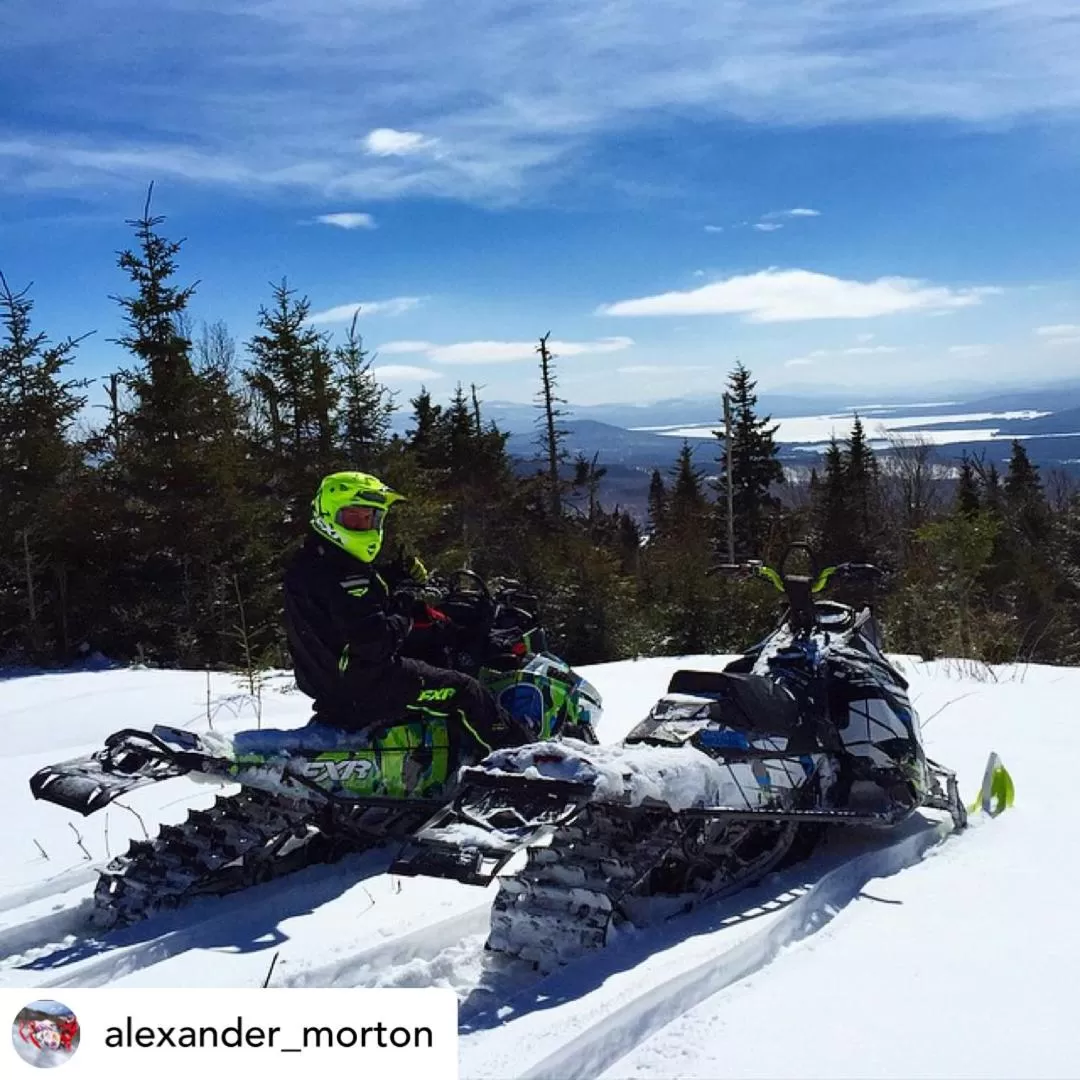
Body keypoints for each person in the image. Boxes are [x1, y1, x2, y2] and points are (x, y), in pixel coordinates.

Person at [282, 471, 532, 761]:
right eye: (352, 518)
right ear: (327, 514)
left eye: (370, 518)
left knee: (429, 661)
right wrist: (404, 604)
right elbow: (376, 641)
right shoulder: (345, 574)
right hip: (364, 685)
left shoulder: (313, 561)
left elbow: (344, 605)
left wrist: (393, 577)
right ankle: (519, 763)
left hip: (330, 683)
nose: (364, 526)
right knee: (467, 692)